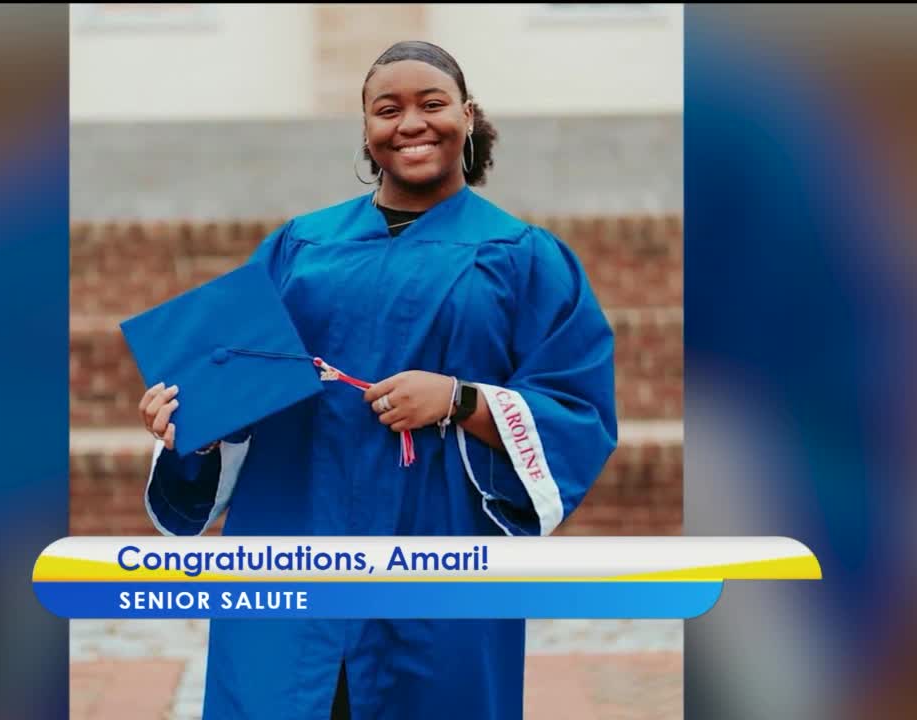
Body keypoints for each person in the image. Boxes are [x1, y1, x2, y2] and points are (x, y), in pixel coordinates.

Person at [137, 40, 618, 720]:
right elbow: (234, 380)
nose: (411, 123)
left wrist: (459, 399)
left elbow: (576, 406)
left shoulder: (525, 257)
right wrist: (193, 423)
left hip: (438, 553)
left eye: (432, 104)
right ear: (366, 130)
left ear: (467, 116)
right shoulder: (298, 247)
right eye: (387, 110)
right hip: (295, 540)